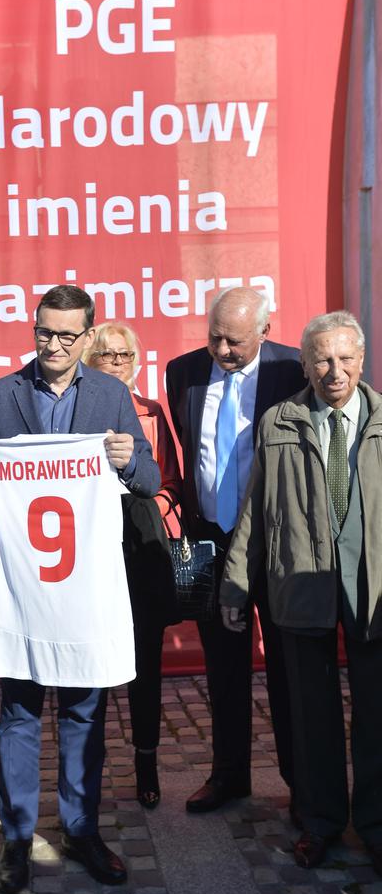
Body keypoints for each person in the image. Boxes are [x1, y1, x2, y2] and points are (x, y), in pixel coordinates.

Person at [0, 285, 160, 894]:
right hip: (22, 589)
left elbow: (148, 481)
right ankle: (17, 840)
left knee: (83, 713)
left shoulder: (112, 395)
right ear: (34, 328)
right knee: (17, 715)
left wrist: (126, 460)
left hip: (84, 587)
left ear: (89, 337)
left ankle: (80, 828)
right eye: (45, 332)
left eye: (68, 335)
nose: (53, 345)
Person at [221, 311, 382, 872]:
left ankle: (377, 825)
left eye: (344, 358)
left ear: (362, 360)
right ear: (305, 363)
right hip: (299, 586)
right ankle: (319, 822)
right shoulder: (279, 421)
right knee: (310, 715)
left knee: (377, 713)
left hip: (372, 590)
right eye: (322, 359)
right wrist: (237, 586)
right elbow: (255, 511)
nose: (334, 371)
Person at [166, 287, 305, 815]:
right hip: (209, 541)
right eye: (214, 336)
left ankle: (299, 784)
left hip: (274, 544)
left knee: (287, 669)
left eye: (235, 341)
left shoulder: (293, 371)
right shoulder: (183, 372)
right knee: (222, 666)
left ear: (264, 332)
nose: (222, 350)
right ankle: (229, 775)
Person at [84, 322, 180, 809]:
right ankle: (89, 768)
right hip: (92, 551)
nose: (117, 363)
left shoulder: (152, 413)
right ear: (89, 360)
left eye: (124, 355)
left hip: (142, 547)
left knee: (146, 663)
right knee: (93, 668)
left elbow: (172, 481)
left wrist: (154, 506)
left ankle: (146, 761)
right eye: (106, 355)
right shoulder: (75, 414)